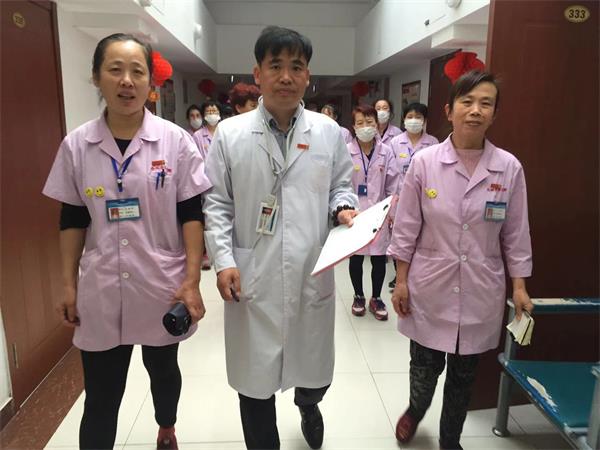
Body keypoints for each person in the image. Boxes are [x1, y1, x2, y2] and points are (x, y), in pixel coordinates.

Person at [42, 33, 212, 450]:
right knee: (101, 396)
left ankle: (167, 426)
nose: (126, 81)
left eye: (137, 71)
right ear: (96, 77)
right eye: (115, 70)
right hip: (101, 285)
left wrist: (192, 280)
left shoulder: (174, 141)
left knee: (163, 371)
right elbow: (72, 218)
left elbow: (191, 213)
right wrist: (67, 284)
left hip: (160, 282)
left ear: (150, 82)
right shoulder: (77, 145)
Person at [203, 26, 359, 450]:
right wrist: (223, 260)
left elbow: (342, 185)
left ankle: (309, 404)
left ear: (308, 76)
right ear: (258, 74)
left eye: (296, 66)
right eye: (276, 66)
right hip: (252, 272)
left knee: (315, 374)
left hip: (311, 266)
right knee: (254, 384)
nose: (286, 76)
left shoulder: (329, 132)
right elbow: (216, 204)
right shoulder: (230, 134)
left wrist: (342, 207)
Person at [388, 71, 533, 450]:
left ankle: (450, 439)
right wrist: (400, 281)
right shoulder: (424, 163)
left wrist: (519, 287)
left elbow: (516, 233)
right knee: (424, 369)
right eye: (467, 102)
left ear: (494, 114)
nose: (475, 110)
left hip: (480, 289)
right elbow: (406, 227)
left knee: (463, 378)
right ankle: (416, 410)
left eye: (486, 103)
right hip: (429, 287)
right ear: (449, 110)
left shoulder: (508, 168)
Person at [347, 104, 399, 321]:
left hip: (380, 212)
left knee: (378, 258)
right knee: (356, 258)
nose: (365, 127)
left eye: (369, 122)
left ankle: (376, 298)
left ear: (377, 125)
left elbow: (393, 184)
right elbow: (341, 183)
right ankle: (358, 295)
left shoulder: (386, 152)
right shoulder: (346, 151)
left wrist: (391, 213)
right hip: (355, 213)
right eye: (360, 123)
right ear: (353, 126)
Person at [387, 102, 439, 290]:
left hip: (425, 197)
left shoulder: (433, 143)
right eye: (410, 117)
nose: (414, 120)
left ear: (425, 120)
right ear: (403, 119)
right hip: (399, 197)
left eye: (418, 117)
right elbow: (391, 174)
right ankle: (399, 275)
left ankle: (415, 275)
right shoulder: (395, 142)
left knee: (421, 236)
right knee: (399, 236)